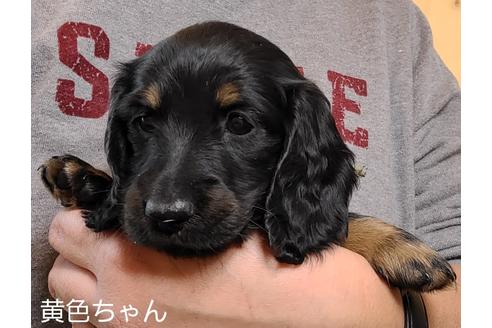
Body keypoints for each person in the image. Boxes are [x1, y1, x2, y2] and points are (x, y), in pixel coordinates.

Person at [32, 0, 460, 327]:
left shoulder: (393, 23)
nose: (169, 203)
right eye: (145, 122)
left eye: (238, 123)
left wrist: (383, 315)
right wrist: (114, 201)